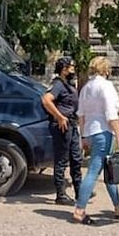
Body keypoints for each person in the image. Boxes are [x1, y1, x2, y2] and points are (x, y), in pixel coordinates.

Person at [71, 56, 119, 225]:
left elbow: (80, 114)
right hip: (104, 131)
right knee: (94, 171)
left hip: (91, 131)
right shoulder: (106, 86)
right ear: (106, 70)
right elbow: (111, 114)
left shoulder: (86, 87)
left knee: (109, 171)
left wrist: (83, 136)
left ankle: (118, 207)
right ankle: (80, 209)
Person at [41, 56, 82, 205]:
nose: (73, 70)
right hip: (62, 126)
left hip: (72, 124)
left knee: (76, 159)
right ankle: (60, 195)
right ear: (64, 69)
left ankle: (80, 192)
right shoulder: (58, 84)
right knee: (62, 159)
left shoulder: (68, 84)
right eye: (71, 67)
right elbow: (46, 100)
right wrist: (59, 116)